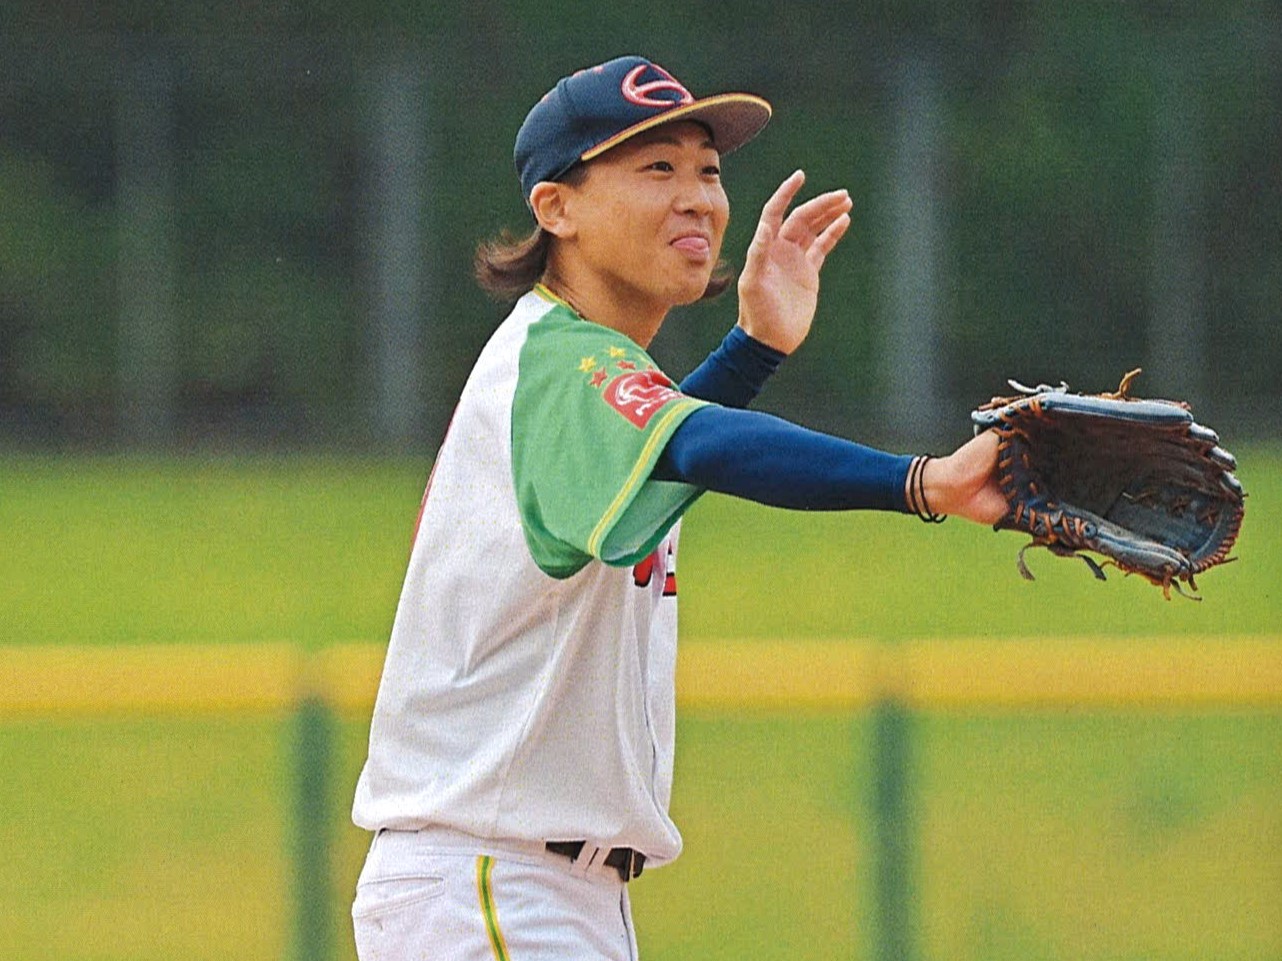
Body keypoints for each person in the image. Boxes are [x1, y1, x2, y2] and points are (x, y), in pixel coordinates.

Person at [350, 55, 1003, 961]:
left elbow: (666, 445)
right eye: (656, 168)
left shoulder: (580, 378)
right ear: (556, 207)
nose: (697, 195)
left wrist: (753, 350)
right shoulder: (557, 359)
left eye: (708, 169)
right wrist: (919, 480)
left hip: (529, 891)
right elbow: (699, 445)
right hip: (493, 883)